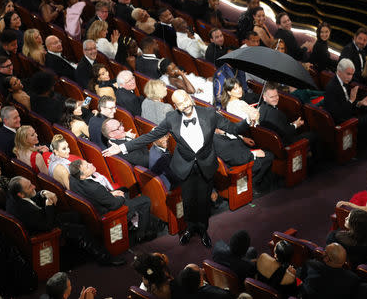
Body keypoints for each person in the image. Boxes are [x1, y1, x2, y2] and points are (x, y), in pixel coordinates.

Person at [102, 89, 256, 248]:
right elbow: (150, 137)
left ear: (190, 98)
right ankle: (189, 228)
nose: (185, 105)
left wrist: (248, 120)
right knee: (188, 201)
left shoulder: (209, 113)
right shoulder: (171, 118)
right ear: (175, 105)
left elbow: (233, 129)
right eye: (180, 103)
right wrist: (122, 148)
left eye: (186, 100)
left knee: (203, 202)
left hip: (206, 164)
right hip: (184, 166)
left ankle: (203, 230)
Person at [7, 176, 126, 266]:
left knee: (76, 215)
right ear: (20, 194)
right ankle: (105, 258)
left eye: (31, 183)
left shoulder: (14, 197)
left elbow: (31, 197)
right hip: (44, 232)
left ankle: (81, 250)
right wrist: (49, 205)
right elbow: (48, 226)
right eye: (29, 187)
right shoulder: (23, 209)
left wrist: (43, 193)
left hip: (41, 220)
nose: (34, 186)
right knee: (81, 230)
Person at [69, 159, 155, 242]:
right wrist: (120, 196)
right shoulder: (95, 188)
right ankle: (142, 235)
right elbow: (114, 205)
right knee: (145, 200)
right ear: (82, 176)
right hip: (109, 214)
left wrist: (111, 194)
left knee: (124, 189)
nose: (91, 164)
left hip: (97, 203)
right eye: (87, 166)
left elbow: (99, 195)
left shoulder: (73, 179)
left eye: (88, 163)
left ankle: (128, 224)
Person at [324, 58, 367, 145]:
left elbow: (345, 104)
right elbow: (337, 114)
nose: (350, 77)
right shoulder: (332, 88)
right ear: (339, 71)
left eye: (352, 74)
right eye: (348, 74)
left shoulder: (341, 82)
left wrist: (359, 103)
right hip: (342, 122)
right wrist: (352, 100)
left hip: (347, 115)